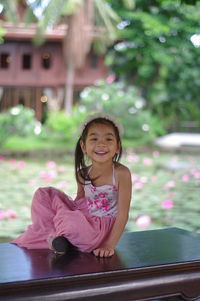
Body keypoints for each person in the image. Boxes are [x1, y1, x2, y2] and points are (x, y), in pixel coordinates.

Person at [12, 113, 132, 258]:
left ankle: (59, 236)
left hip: (97, 233)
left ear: (118, 147)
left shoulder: (121, 173)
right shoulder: (82, 173)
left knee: (70, 221)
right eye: (94, 139)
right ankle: (61, 238)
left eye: (108, 139)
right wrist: (66, 211)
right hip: (83, 219)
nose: (101, 144)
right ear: (83, 146)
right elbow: (79, 203)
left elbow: (123, 214)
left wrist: (108, 245)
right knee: (44, 194)